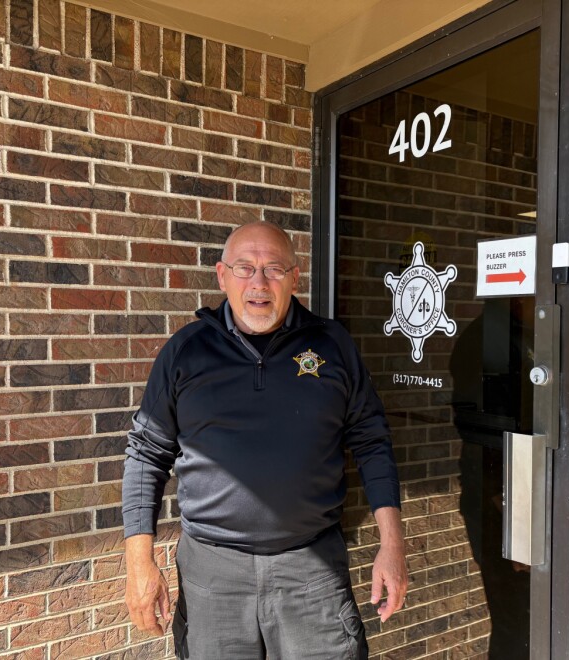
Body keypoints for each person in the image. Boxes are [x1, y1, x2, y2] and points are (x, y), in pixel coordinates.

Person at [122, 221, 408, 659]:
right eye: (245, 268)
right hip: (212, 575)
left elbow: (372, 441)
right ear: (222, 276)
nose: (259, 282)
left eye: (274, 268)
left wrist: (392, 544)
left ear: (295, 278)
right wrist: (138, 562)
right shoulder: (186, 352)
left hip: (311, 574)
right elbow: (146, 454)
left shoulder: (333, 345)